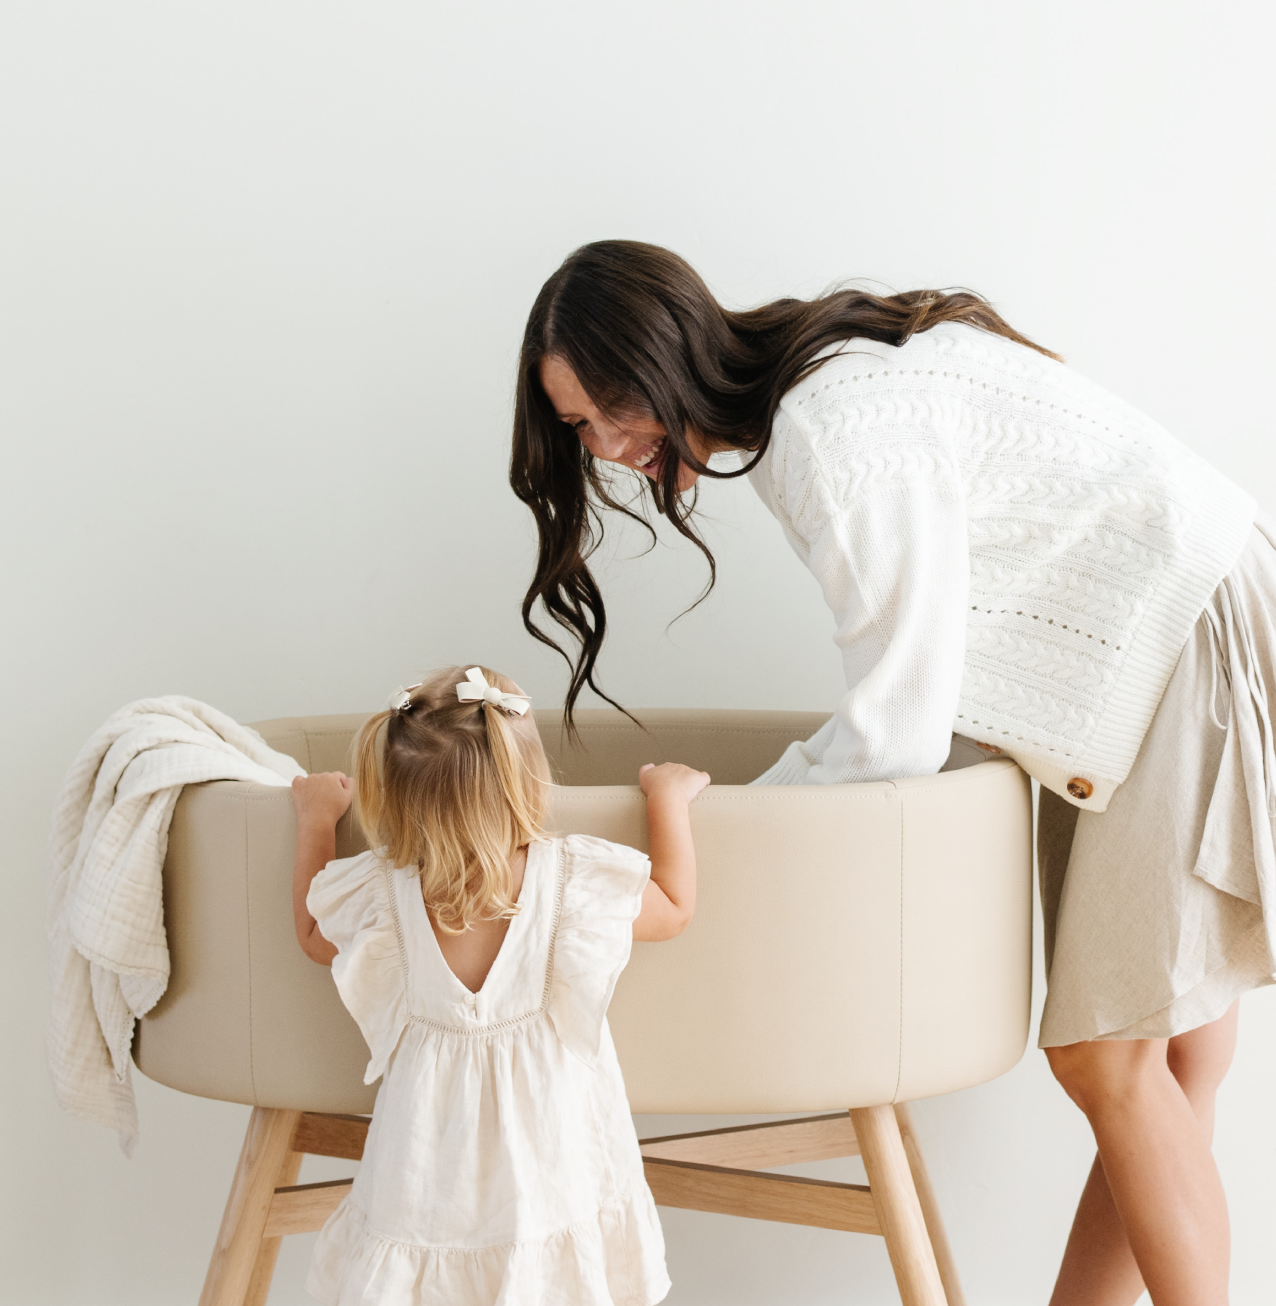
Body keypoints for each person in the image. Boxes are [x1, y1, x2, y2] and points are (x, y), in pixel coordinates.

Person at [510, 240, 1276, 1306]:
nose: (602, 450)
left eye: (600, 413)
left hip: (1166, 633)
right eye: (579, 428)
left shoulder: (829, 431)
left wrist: (723, 827)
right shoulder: (817, 394)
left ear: (657, 360)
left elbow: (897, 725)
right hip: (1162, 622)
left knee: (1110, 1059)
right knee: (1162, 1061)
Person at [288, 664, 706, 1306]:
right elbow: (674, 908)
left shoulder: (383, 893)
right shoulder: (570, 881)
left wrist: (316, 821)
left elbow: (314, 937)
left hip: (425, 1186)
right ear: (527, 785)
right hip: (551, 1180)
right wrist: (667, 800)